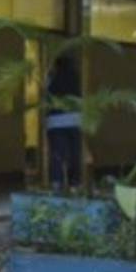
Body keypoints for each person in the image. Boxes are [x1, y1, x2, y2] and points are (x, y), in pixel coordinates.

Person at [45, 54, 81, 190]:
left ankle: (57, 182)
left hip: (55, 121)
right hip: (74, 120)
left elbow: (46, 96)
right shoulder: (75, 77)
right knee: (74, 154)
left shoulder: (51, 77)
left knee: (57, 154)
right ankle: (74, 183)